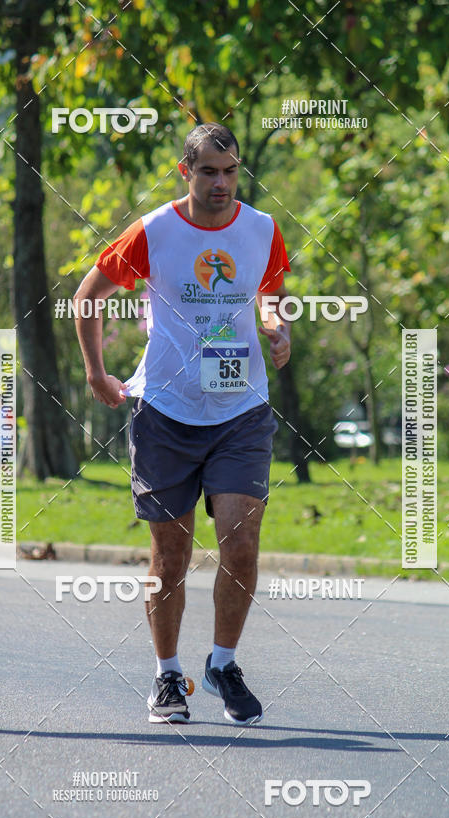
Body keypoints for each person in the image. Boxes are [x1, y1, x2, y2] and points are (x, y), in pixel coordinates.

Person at [74, 123, 290, 726]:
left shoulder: (262, 229)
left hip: (240, 410)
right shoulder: (155, 231)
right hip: (165, 412)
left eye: (230, 171)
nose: (221, 183)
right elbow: (87, 295)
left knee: (241, 544)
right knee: (170, 555)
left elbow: (269, 290)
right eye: (208, 172)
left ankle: (223, 663)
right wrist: (96, 373)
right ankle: (169, 676)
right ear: (185, 172)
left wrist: (277, 326)